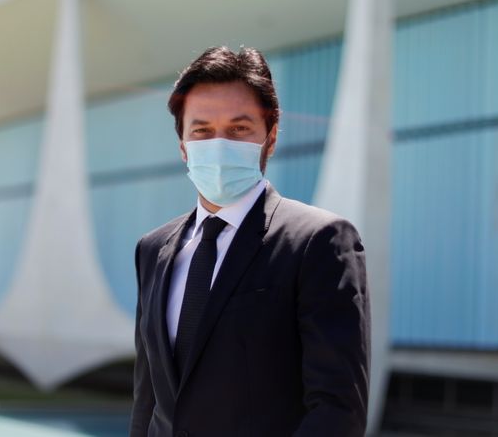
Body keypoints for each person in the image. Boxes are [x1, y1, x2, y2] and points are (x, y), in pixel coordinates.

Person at [129, 47, 370, 437]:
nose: (219, 144)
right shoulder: (153, 250)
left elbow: (337, 410)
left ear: (270, 138)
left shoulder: (319, 242)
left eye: (239, 129)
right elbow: (148, 398)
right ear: (183, 147)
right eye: (202, 130)